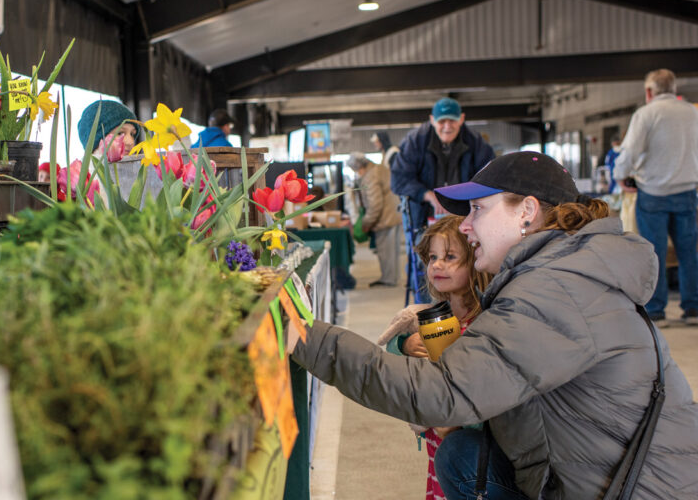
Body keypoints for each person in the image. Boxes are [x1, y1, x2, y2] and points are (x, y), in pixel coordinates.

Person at [287, 151, 698, 499]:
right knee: (466, 454)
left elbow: (444, 393)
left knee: (462, 457)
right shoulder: (568, 270)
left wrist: (309, 337)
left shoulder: (554, 289)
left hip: (638, 489)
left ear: (527, 212)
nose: (465, 226)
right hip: (633, 475)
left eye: (478, 210)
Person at [380, 214, 492, 500]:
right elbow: (392, 353)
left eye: (450, 256)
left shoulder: (484, 321)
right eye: (432, 257)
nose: (438, 265)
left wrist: (459, 424)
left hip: (463, 436)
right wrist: (405, 344)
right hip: (435, 436)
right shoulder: (429, 314)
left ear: (475, 260)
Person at [614, 69, 698, 326]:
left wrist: (620, 176)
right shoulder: (693, 112)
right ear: (673, 88)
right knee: (689, 253)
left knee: (654, 253)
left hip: (653, 194)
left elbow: (629, 152)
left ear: (649, 91)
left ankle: (657, 311)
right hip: (687, 192)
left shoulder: (646, 114)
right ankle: (693, 308)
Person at [391, 97, 495, 302]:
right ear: (432, 120)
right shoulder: (415, 141)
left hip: (464, 218)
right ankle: (428, 309)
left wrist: (464, 200)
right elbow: (398, 180)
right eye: (441, 121)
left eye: (452, 121)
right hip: (424, 218)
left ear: (462, 119)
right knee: (424, 264)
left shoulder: (476, 144)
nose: (447, 127)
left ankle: (469, 307)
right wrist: (428, 195)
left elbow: (489, 177)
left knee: (469, 262)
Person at [351, 152, 402, 287]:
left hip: (385, 218)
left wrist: (367, 222)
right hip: (393, 214)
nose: (357, 173)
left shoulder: (370, 176)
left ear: (359, 167)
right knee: (392, 251)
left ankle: (388, 280)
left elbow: (375, 204)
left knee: (386, 252)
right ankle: (390, 278)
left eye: (356, 170)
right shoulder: (379, 168)